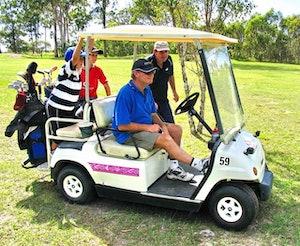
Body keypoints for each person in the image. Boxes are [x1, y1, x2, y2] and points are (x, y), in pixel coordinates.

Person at [112, 59, 209, 182]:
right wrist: (148, 128)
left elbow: (152, 113)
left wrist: (163, 127)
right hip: (128, 135)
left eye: (153, 72)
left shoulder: (147, 90)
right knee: (165, 139)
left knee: (176, 130)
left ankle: (173, 169)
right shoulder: (125, 93)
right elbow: (122, 126)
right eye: (148, 73)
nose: (152, 75)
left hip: (143, 128)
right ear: (136, 73)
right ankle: (198, 164)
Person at [46, 37, 90, 149]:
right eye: (81, 58)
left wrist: (91, 38)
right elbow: (74, 58)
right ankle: (52, 157)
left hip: (69, 109)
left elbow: (88, 51)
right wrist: (81, 40)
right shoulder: (66, 69)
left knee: (72, 131)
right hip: (57, 107)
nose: (83, 61)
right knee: (57, 136)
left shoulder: (77, 72)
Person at [146, 41, 179, 123]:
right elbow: (142, 83)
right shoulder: (147, 63)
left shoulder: (169, 61)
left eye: (166, 51)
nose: (164, 54)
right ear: (154, 52)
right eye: (161, 52)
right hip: (150, 100)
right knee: (158, 127)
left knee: (171, 124)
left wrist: (174, 92)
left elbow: (170, 76)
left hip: (163, 99)